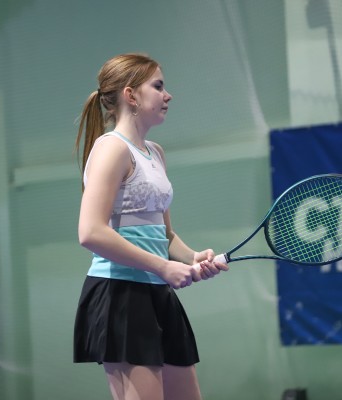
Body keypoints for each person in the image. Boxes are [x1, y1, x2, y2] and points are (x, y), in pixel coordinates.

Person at [73, 53, 229, 400]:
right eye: (158, 86)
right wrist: (162, 267)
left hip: (158, 293)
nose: (167, 95)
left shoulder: (155, 153)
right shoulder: (111, 150)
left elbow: (164, 234)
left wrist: (191, 258)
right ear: (131, 95)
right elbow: (91, 232)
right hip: (121, 294)